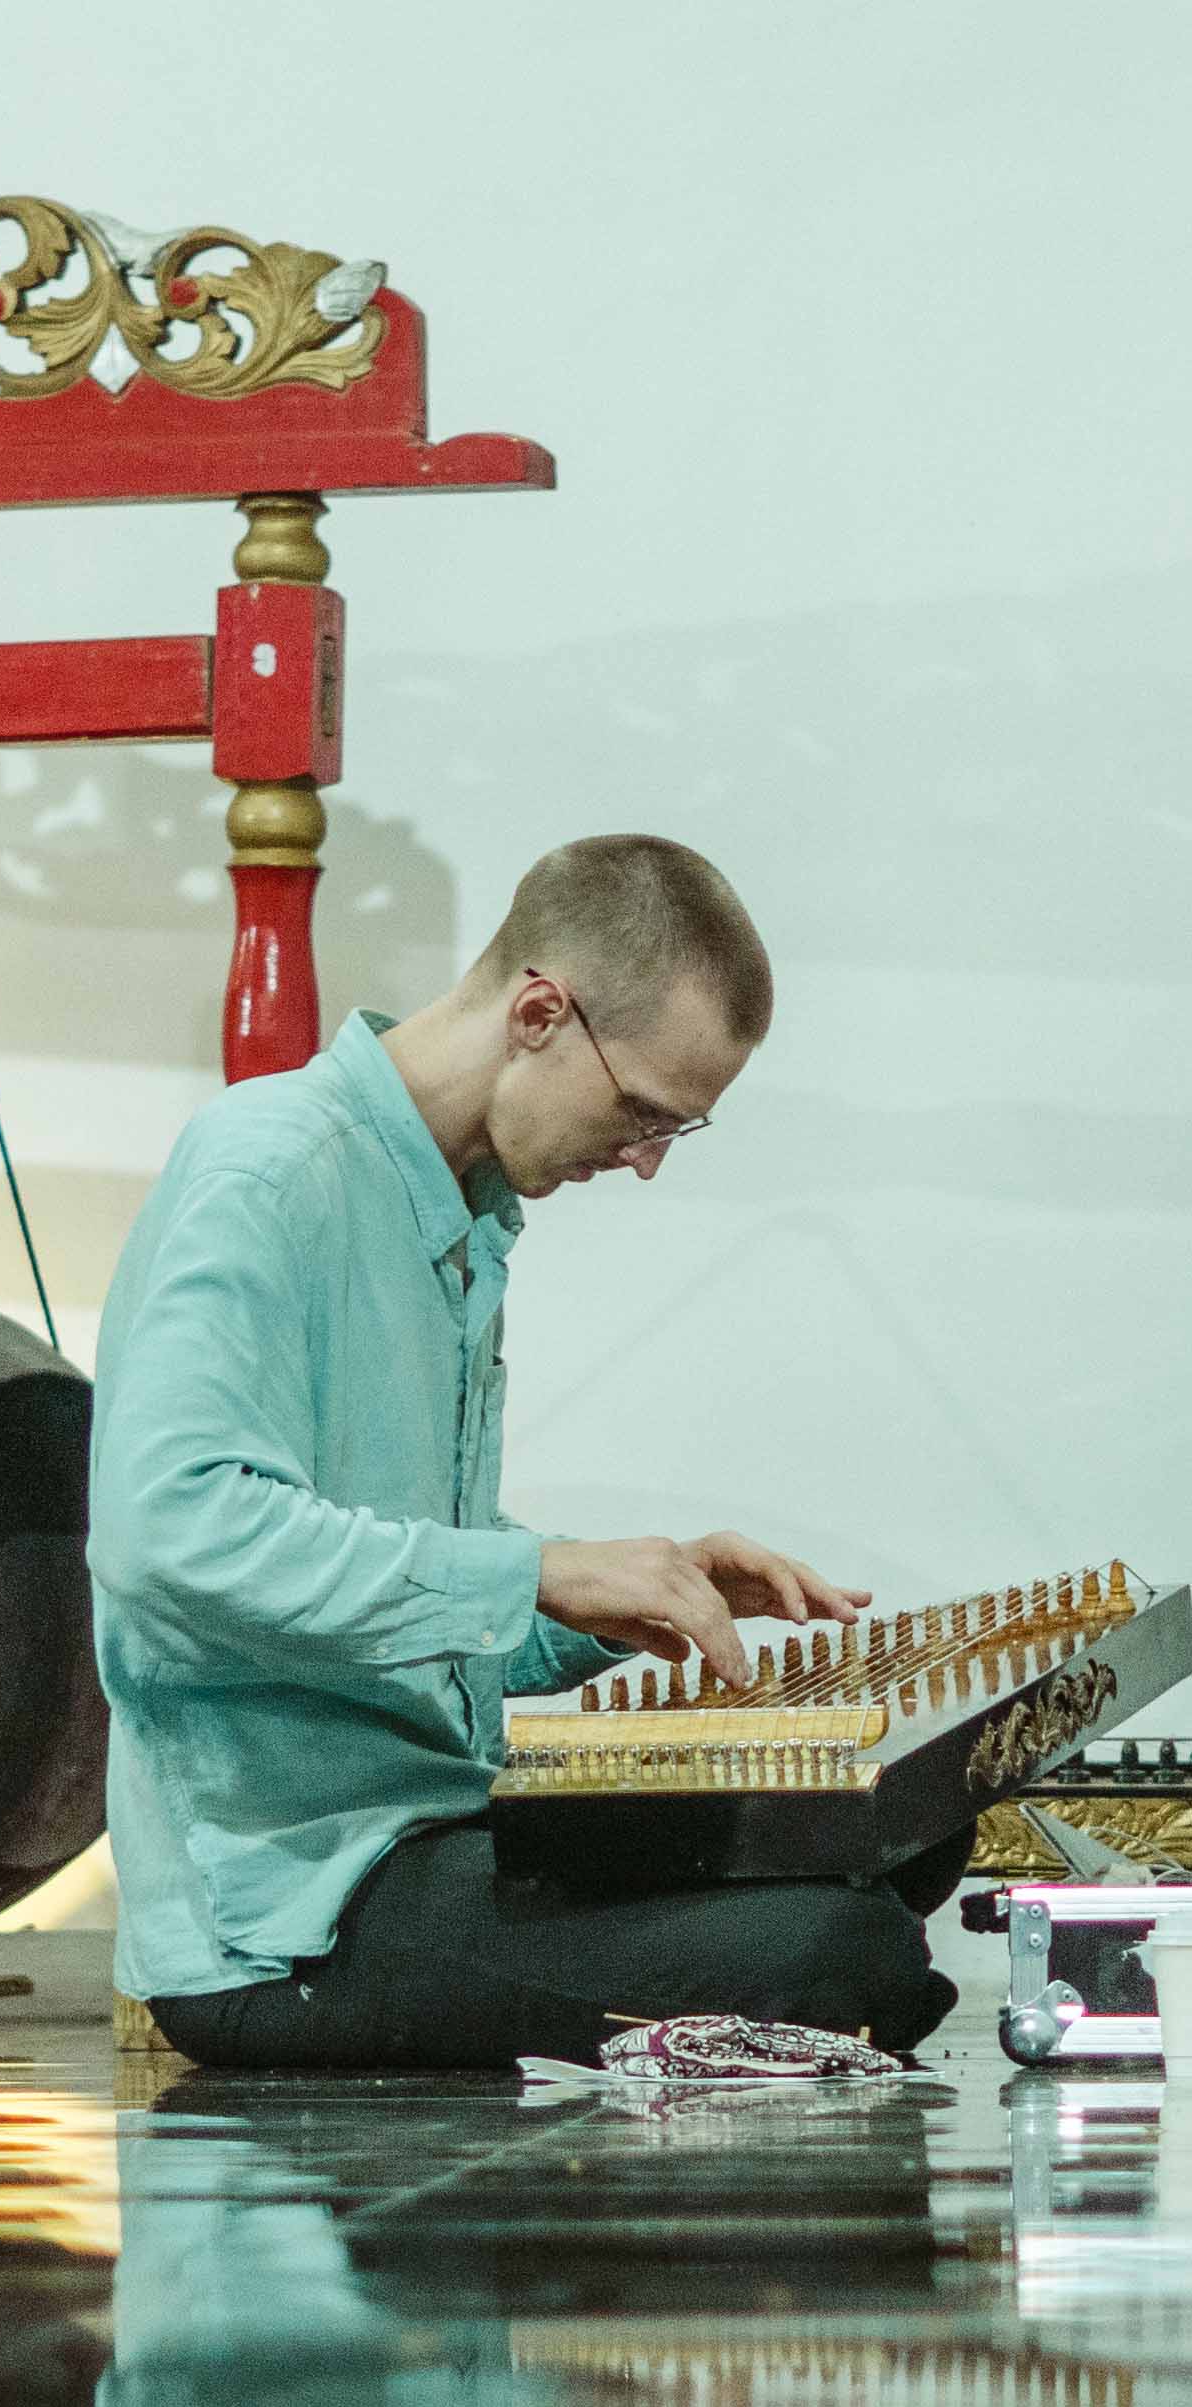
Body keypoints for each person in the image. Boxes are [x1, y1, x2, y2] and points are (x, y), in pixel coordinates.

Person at [87, 834, 962, 2070]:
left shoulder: (462, 1206)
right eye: (644, 1111)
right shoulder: (269, 1170)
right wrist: (538, 1575)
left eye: (679, 1130)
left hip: (428, 1827)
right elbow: (166, 1533)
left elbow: (379, 1560)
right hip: (285, 1920)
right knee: (838, 1955)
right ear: (540, 1011)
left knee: (904, 1831)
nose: (647, 1159)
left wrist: (602, 1603)